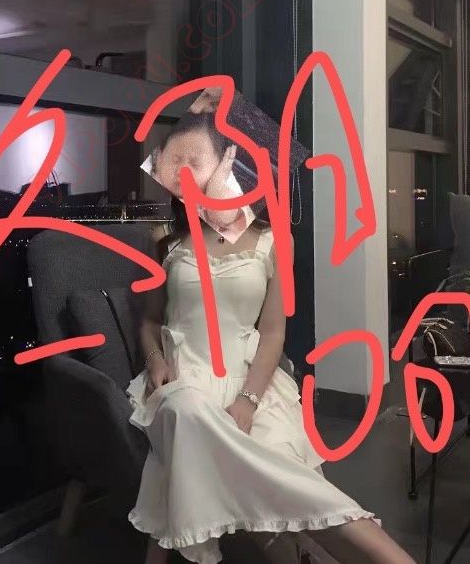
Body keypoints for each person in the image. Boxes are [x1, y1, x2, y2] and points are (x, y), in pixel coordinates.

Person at [125, 198, 416, 564]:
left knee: (280, 463)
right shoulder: (166, 239)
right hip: (184, 381)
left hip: (252, 382)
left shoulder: (275, 240)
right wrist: (154, 360)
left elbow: (274, 332)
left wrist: (248, 401)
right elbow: (150, 321)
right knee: (187, 412)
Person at [147, 111, 254, 242]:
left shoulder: (226, 189)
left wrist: (218, 179)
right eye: (175, 160)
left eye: (195, 163)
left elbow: (221, 215)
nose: (181, 170)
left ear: (220, 164)